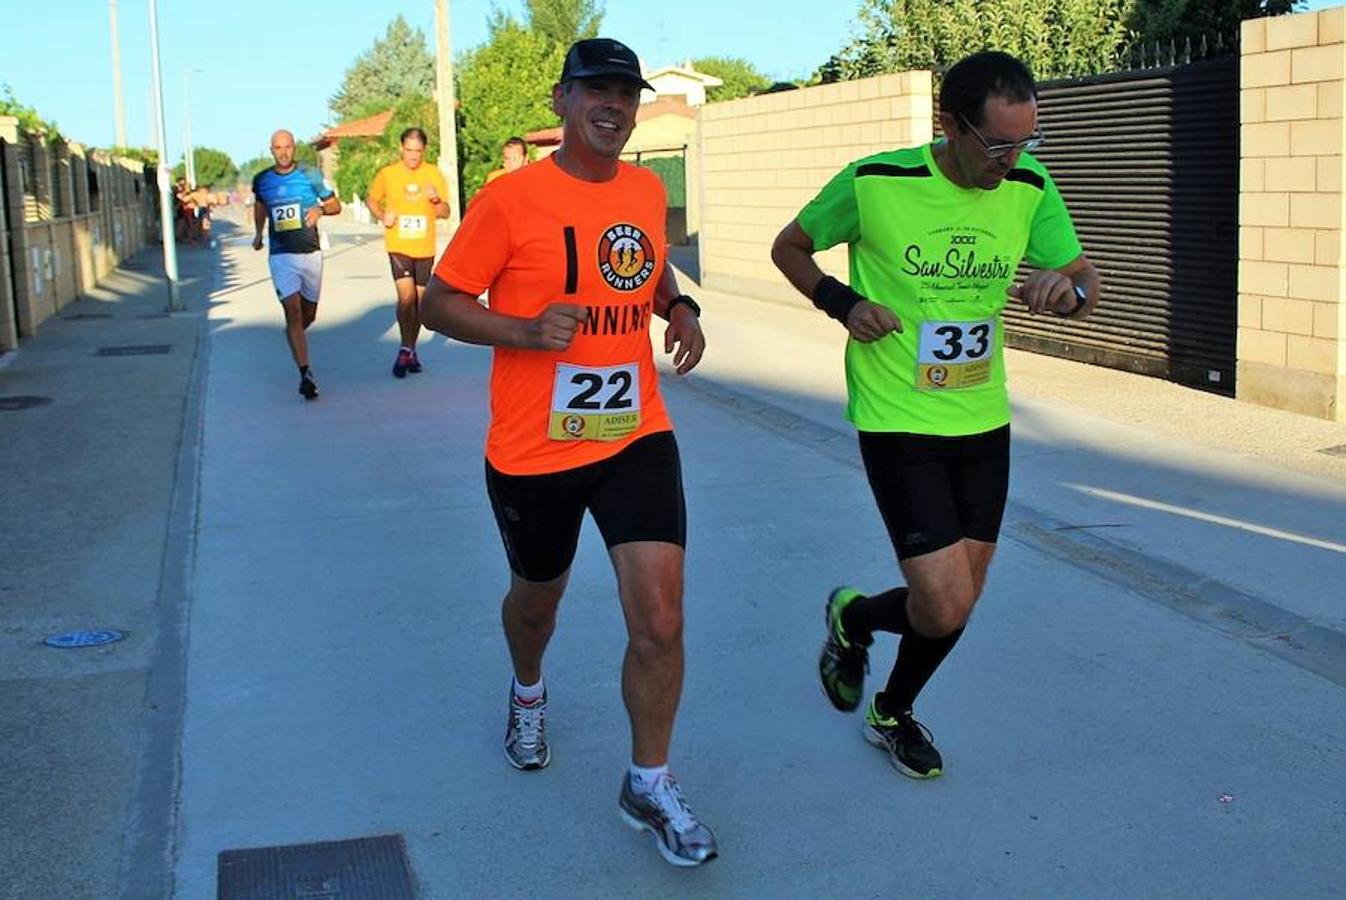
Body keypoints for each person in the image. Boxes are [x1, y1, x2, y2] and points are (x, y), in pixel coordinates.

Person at [419, 37, 716, 867]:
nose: (614, 106)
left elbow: (645, 268)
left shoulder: (648, 188)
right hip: (532, 447)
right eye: (598, 90)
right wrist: (520, 330)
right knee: (537, 601)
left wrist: (679, 305)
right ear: (561, 100)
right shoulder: (510, 201)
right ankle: (527, 689)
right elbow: (440, 303)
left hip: (635, 434)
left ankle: (648, 782)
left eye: (627, 93)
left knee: (660, 617)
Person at [771, 51, 1100, 779]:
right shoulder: (878, 181)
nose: (1013, 161)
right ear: (950, 126)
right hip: (899, 418)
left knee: (957, 603)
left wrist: (1065, 293)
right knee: (945, 601)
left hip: (983, 419)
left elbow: (1084, 279)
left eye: (1027, 143)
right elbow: (789, 246)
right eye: (999, 144)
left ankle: (879, 681)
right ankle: (869, 651)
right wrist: (844, 304)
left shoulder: (1030, 185)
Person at [252, 129, 341, 400]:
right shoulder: (262, 180)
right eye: (278, 148)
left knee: (307, 316)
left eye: (287, 147)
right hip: (281, 255)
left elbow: (335, 205)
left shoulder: (309, 175)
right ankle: (306, 374)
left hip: (310, 254)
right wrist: (258, 233)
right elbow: (260, 207)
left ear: (294, 149)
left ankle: (295, 336)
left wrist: (320, 210)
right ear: (271, 150)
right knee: (293, 312)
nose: (283, 152)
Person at [366, 127, 452, 378]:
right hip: (398, 245)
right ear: (401, 149)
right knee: (405, 299)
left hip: (424, 247)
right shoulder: (388, 174)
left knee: (420, 302)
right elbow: (372, 199)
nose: (413, 156)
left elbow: (446, 212)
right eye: (409, 151)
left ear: (424, 151)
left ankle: (410, 349)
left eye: (418, 151)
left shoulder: (433, 174)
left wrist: (436, 200)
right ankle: (405, 349)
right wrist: (383, 216)